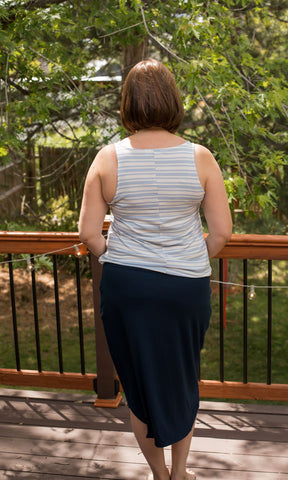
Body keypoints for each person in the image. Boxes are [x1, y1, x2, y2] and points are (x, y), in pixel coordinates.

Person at [79, 59, 232, 480]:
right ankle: (181, 474)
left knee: (139, 384)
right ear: (173, 100)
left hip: (127, 286)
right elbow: (221, 233)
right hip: (186, 287)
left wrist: (122, 255)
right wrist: (187, 258)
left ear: (127, 102)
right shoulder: (200, 158)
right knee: (183, 377)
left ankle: (159, 476)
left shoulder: (108, 159)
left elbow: (90, 234)